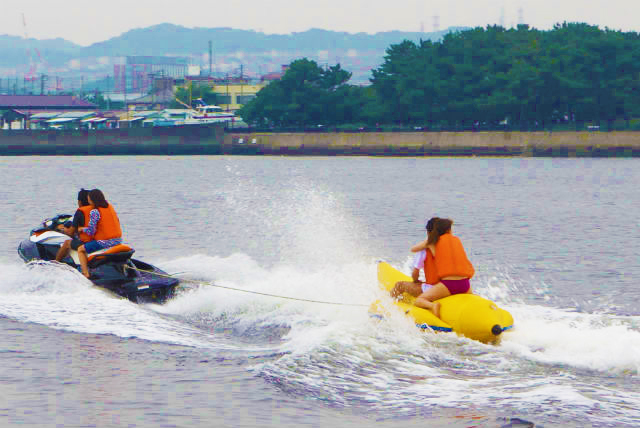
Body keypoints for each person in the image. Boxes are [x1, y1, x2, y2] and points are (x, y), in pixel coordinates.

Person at [390, 217, 475, 318]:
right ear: (448, 230)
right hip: (465, 284)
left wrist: (416, 281)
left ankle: (392, 307)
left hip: (445, 286)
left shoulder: (429, 244)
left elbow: (413, 250)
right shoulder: (456, 241)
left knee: (403, 288)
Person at [76, 189, 123, 278]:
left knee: (80, 250)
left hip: (105, 242)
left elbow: (91, 231)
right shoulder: (110, 206)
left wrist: (82, 229)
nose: (88, 200)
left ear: (92, 200)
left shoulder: (95, 212)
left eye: (88, 199)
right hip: (118, 240)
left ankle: (86, 273)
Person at [55, 189, 93, 262]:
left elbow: (70, 233)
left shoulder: (80, 212)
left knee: (67, 243)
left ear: (79, 202)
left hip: (87, 242)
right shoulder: (96, 210)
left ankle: (56, 263)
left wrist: (63, 230)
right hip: (98, 240)